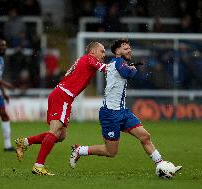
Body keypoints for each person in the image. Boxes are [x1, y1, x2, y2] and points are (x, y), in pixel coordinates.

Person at [69, 39, 182, 174]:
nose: (129, 50)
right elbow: (127, 73)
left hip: (123, 111)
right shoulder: (117, 62)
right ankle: (79, 150)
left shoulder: (117, 63)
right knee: (111, 152)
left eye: (130, 48)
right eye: (125, 48)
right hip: (110, 114)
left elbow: (124, 72)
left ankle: (162, 165)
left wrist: (130, 68)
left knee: (144, 136)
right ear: (117, 51)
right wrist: (133, 69)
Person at [15, 42, 107, 175]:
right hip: (63, 95)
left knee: (61, 136)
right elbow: (105, 69)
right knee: (54, 131)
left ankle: (24, 142)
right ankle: (38, 166)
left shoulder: (84, 60)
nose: (104, 54)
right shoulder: (89, 59)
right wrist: (121, 66)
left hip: (62, 95)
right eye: (102, 51)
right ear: (92, 52)